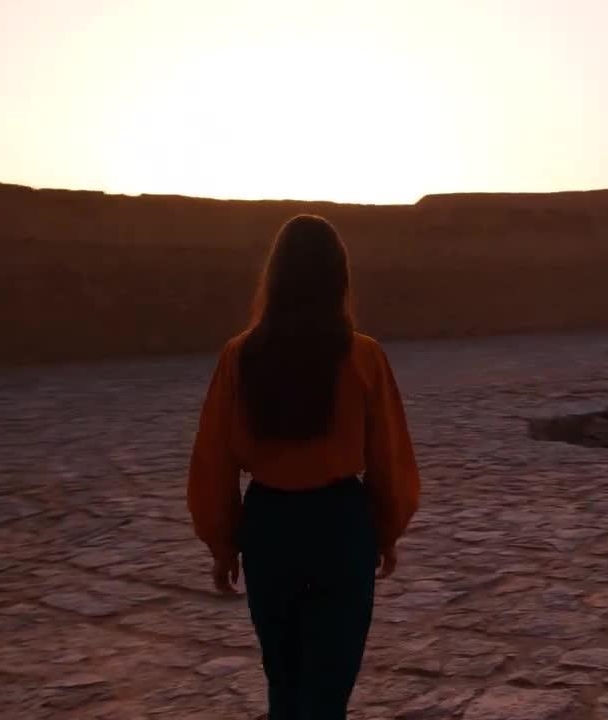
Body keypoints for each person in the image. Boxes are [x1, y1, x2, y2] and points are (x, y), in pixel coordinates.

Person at [186, 214, 421, 720]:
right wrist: (385, 530)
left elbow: (213, 461)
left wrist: (223, 544)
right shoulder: (363, 357)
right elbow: (389, 455)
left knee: (285, 676)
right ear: (338, 277)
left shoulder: (239, 357)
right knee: (329, 681)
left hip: (270, 527)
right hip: (340, 526)